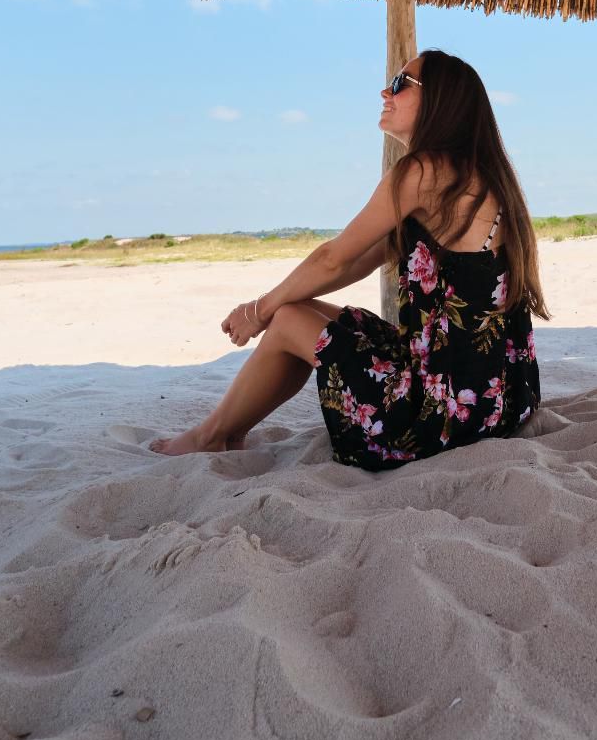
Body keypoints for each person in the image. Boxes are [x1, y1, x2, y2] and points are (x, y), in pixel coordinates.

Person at [149, 48, 549, 469]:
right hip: (500, 402)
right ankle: (231, 429)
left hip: (437, 416)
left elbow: (333, 259)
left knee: (286, 319)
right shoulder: (477, 175)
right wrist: (277, 305)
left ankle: (210, 435)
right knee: (304, 313)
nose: (385, 90)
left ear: (439, 100)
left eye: (400, 83)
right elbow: (359, 261)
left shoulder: (423, 171)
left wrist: (259, 309)